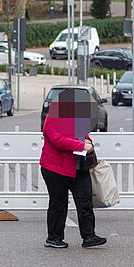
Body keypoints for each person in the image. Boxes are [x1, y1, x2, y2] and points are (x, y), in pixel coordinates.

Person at [39, 102, 107, 249]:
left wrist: (88, 141)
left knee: (85, 201)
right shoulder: (53, 118)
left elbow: (83, 136)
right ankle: (53, 237)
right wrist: (81, 146)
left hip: (78, 168)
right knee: (59, 204)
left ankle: (89, 236)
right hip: (55, 169)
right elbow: (57, 140)